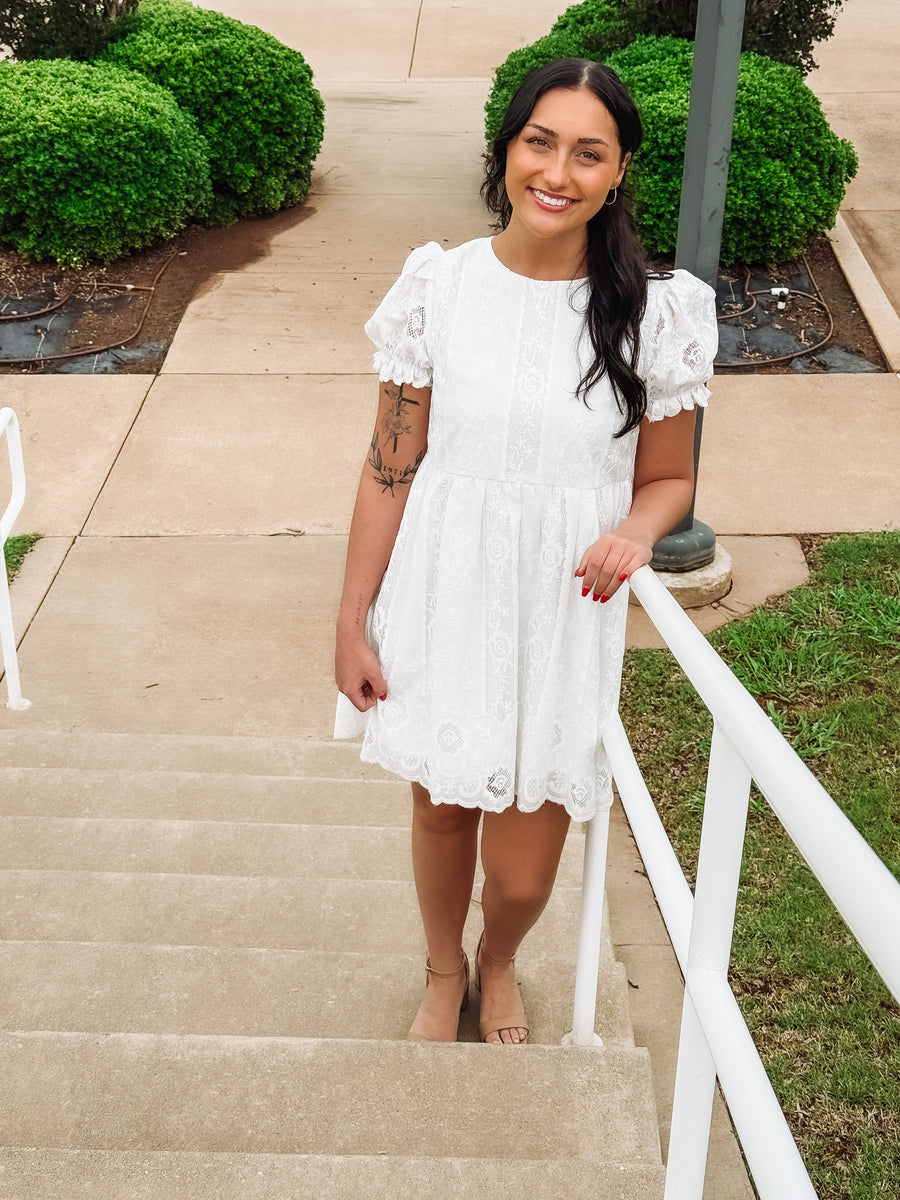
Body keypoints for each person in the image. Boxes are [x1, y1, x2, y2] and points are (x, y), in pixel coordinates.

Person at [334, 57, 718, 1045]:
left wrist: (636, 530)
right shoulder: (439, 288)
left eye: (589, 152)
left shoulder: (652, 312)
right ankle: (440, 967)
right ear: (506, 149)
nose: (559, 171)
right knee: (441, 813)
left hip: (564, 611)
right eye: (540, 142)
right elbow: (389, 468)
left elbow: (670, 477)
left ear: (619, 169)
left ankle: (499, 954)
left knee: (525, 868)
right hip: (443, 592)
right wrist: (351, 620)